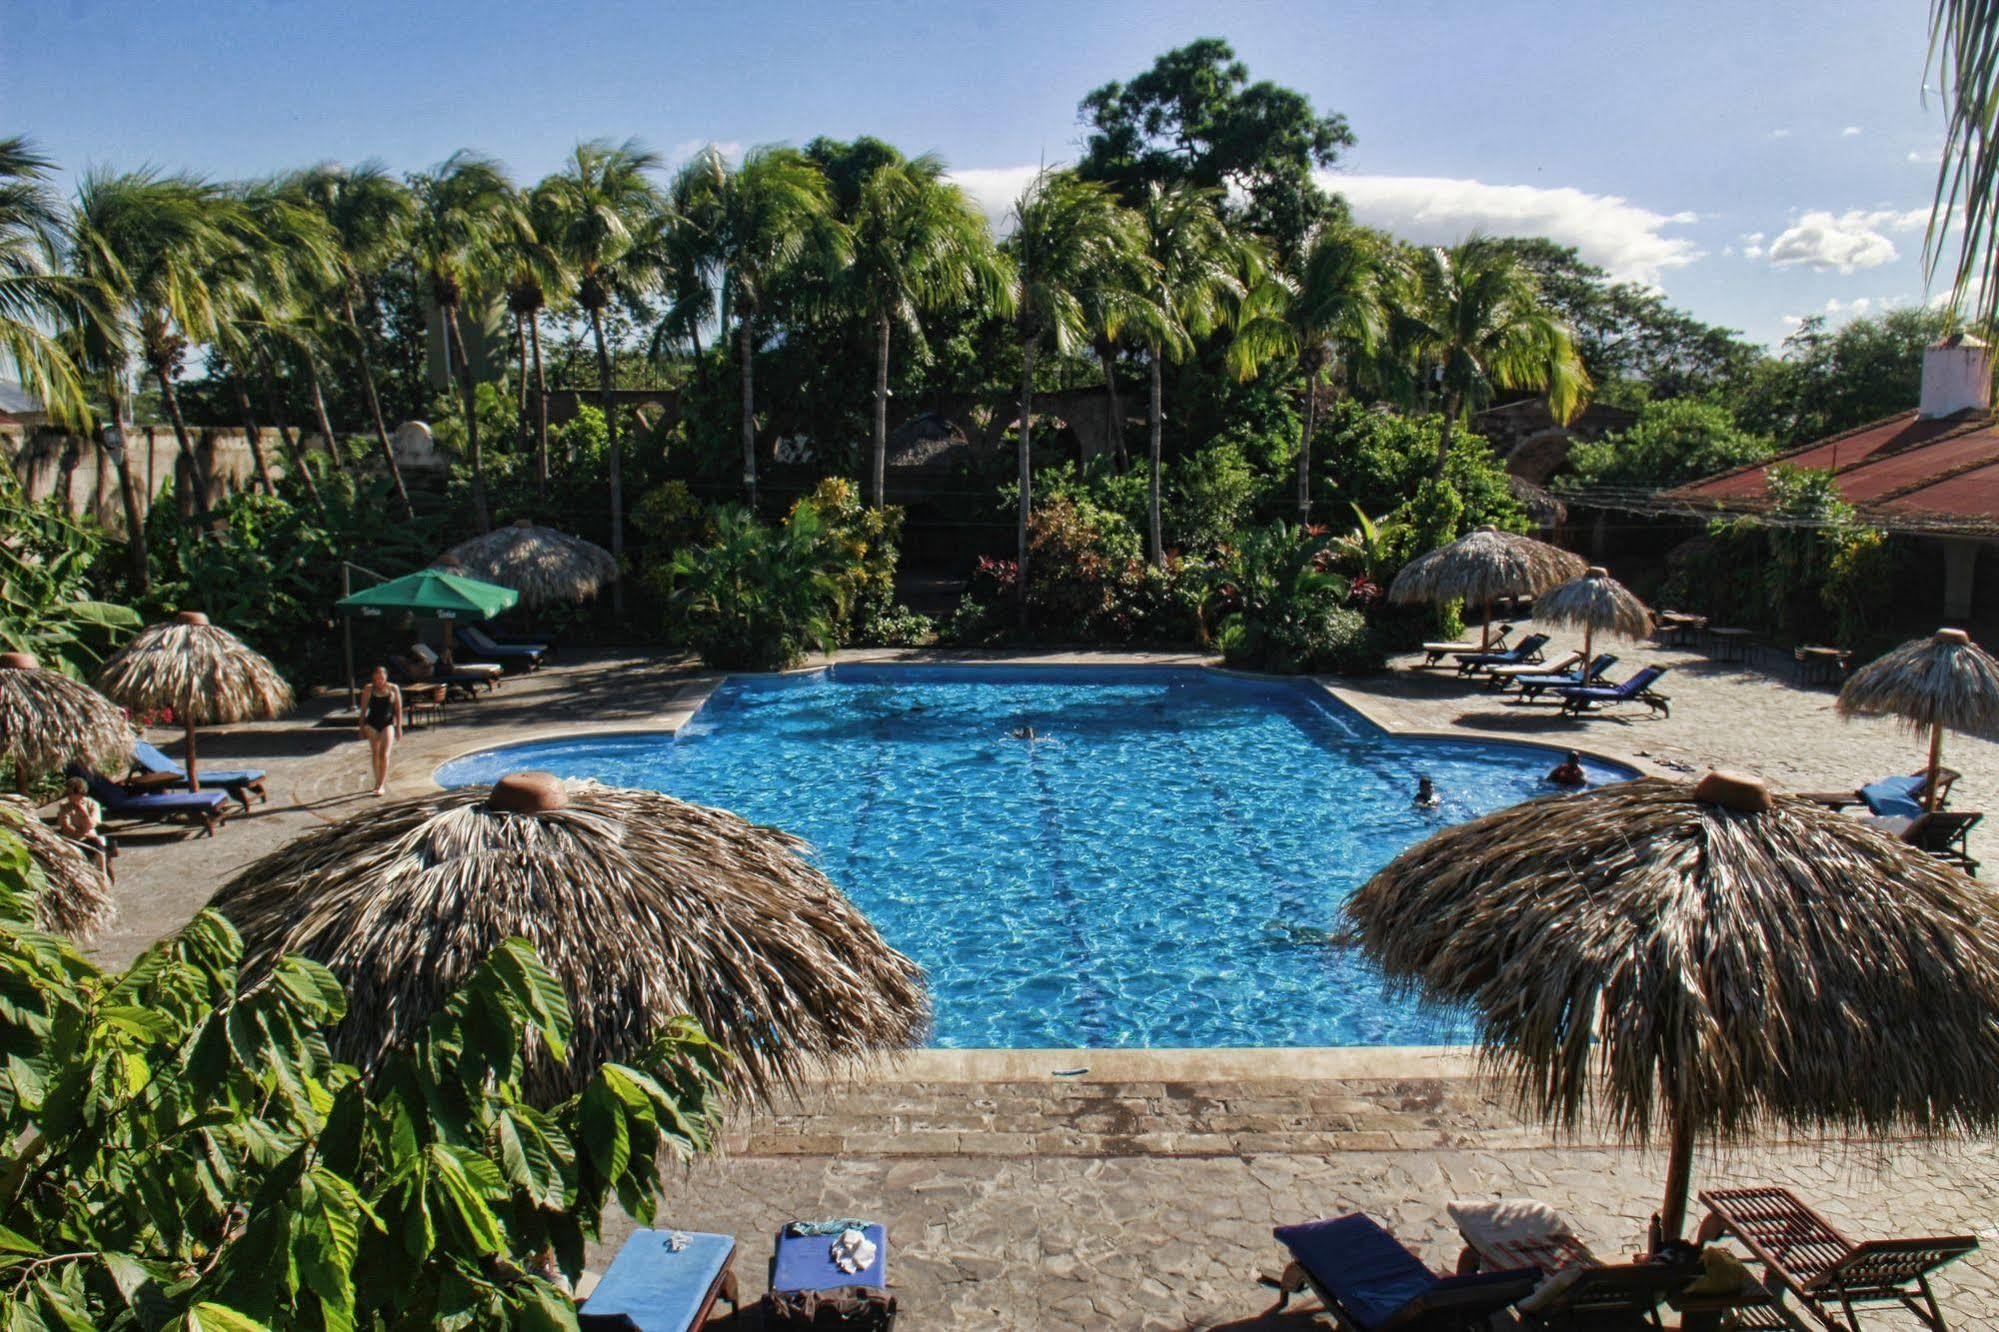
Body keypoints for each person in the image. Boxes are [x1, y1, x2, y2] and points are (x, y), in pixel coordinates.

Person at [55, 776, 115, 882]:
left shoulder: (93, 805)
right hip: (73, 838)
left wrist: (84, 812)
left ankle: (103, 876)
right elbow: (66, 827)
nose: (68, 796)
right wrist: (82, 833)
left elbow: (91, 825)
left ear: (80, 793)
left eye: (70, 793)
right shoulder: (64, 806)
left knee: (99, 847)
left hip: (89, 839)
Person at [358, 665, 403, 796]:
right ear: (373, 678)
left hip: (387, 723)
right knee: (375, 753)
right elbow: (363, 710)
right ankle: (377, 783)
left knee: (384, 754)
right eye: (376, 679)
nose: (379, 681)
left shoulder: (393, 688)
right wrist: (360, 728)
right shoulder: (368, 689)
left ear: (386, 677)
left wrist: (399, 727)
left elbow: (398, 709)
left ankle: (382, 784)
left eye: (381, 678)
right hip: (372, 723)